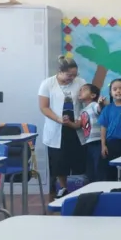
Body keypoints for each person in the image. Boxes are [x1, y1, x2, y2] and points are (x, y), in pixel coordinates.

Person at [37, 56, 88, 198]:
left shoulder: (81, 82)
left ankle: (80, 189)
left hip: (76, 127)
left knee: (79, 159)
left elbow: (86, 103)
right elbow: (44, 107)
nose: (71, 78)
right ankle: (63, 188)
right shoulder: (47, 84)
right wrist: (58, 119)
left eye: (74, 75)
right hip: (56, 128)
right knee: (60, 161)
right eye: (68, 75)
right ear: (59, 71)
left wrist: (80, 120)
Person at [98, 79, 121, 181]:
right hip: (111, 144)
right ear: (111, 92)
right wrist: (103, 145)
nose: (118, 91)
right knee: (110, 172)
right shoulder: (107, 108)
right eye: (115, 89)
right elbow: (103, 127)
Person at [77, 84, 103, 183]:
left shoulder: (94, 105)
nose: (80, 92)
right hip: (88, 142)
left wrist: (101, 103)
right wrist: (66, 122)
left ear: (93, 95)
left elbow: (100, 109)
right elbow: (77, 125)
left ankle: (100, 185)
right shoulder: (82, 110)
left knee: (98, 166)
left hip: (98, 141)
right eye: (80, 90)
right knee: (90, 167)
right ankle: (92, 185)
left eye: (84, 90)